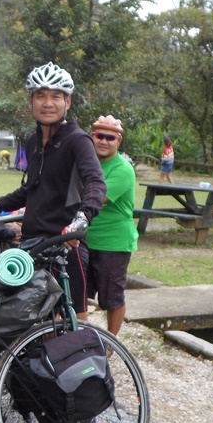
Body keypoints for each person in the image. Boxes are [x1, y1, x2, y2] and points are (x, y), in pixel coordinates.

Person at [0, 61, 106, 323]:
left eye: (56, 96)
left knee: (75, 321)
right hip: (33, 243)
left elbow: (95, 182)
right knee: (34, 318)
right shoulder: (33, 141)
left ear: (67, 102)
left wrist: (82, 218)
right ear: (31, 101)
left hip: (65, 244)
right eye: (40, 96)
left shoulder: (78, 140)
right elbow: (32, 187)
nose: (48, 103)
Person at [84, 115, 138, 336]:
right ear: (92, 137)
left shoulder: (122, 169)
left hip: (113, 243)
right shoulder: (86, 164)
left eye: (110, 138)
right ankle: (76, 339)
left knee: (111, 298)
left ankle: (111, 342)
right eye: (100, 136)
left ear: (119, 141)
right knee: (77, 294)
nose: (104, 141)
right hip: (84, 240)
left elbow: (96, 198)